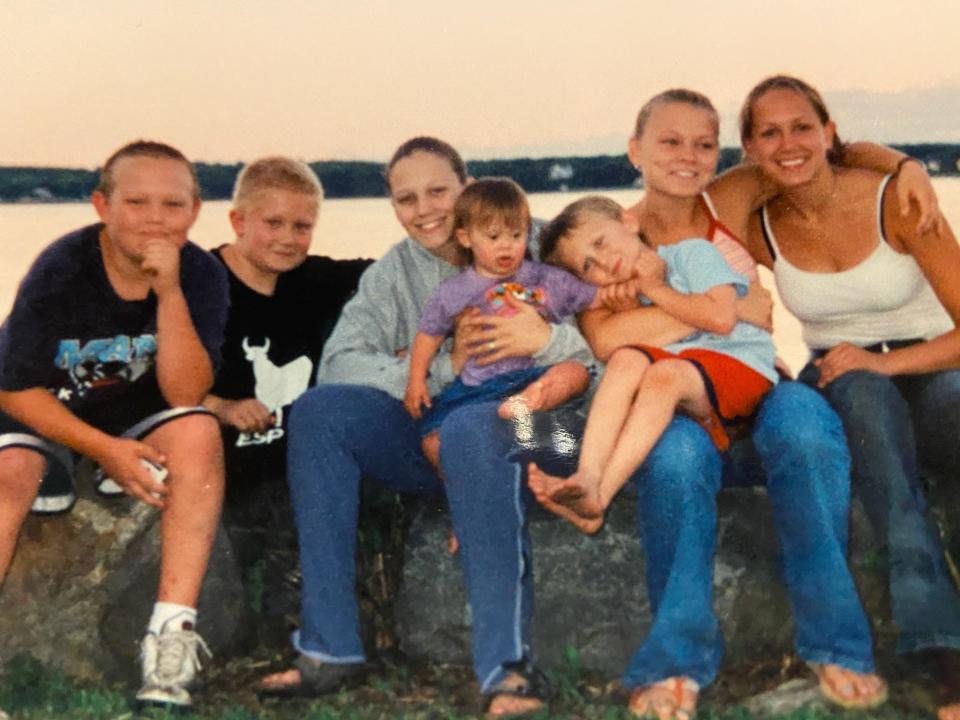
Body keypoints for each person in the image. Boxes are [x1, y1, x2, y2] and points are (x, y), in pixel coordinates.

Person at [563, 88, 936, 719]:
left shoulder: (730, 201)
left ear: (719, 153)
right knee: (676, 458)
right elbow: (605, 337)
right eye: (669, 142)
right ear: (635, 150)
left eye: (703, 144)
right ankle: (676, 660)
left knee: (807, 429)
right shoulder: (606, 239)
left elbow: (830, 151)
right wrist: (728, 311)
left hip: (757, 385)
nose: (688, 157)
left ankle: (836, 643)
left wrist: (907, 166)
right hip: (681, 402)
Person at [256, 136, 594, 717]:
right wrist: (444, 368)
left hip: (559, 439)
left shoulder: (541, 242)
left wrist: (549, 340)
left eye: (439, 190)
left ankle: (506, 668)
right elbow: (341, 362)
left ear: (467, 188)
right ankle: (329, 646)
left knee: (474, 429)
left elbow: (619, 337)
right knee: (321, 413)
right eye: (405, 198)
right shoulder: (397, 272)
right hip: (443, 440)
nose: (425, 209)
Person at [739, 74, 960, 720]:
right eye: (769, 132)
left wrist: (904, 162)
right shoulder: (760, 222)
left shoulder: (895, 199)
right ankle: (945, 652)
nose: (789, 142)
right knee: (860, 397)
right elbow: (668, 217)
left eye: (803, 126)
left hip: (937, 367)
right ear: (749, 148)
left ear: (830, 131)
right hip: (850, 382)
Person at [0, 140, 228, 710]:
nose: (155, 220)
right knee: (12, 471)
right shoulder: (64, 267)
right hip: (45, 412)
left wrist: (169, 290)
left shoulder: (199, 274)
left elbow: (184, 392)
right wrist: (103, 451)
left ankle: (169, 638)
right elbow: (12, 385)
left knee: (200, 432)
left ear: (196, 211)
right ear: (102, 205)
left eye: (173, 206)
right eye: (137, 202)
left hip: (133, 421)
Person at [530, 195, 776, 533]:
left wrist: (655, 289)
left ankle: (601, 496)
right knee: (627, 358)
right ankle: (588, 479)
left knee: (663, 375)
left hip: (741, 367)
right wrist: (629, 310)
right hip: (691, 380)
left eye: (600, 242)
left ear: (628, 221)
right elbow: (610, 345)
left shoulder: (692, 252)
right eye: (588, 266)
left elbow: (720, 318)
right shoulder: (616, 297)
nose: (603, 261)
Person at [202, 157, 370, 523]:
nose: (287, 239)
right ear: (238, 221)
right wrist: (223, 408)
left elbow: (401, 272)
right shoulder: (201, 284)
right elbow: (157, 384)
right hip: (227, 479)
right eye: (273, 223)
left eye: (302, 227)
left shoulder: (318, 280)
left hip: (302, 473)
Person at [405, 177, 601, 467]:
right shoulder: (454, 291)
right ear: (465, 238)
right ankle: (469, 493)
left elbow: (594, 297)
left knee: (575, 372)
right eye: (494, 237)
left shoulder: (546, 279)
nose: (506, 247)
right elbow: (429, 334)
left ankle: (530, 407)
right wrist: (416, 380)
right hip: (479, 386)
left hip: (533, 378)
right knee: (433, 443)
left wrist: (622, 293)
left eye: (516, 235)